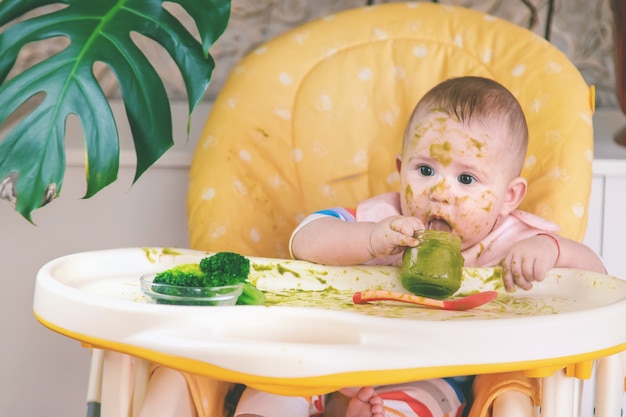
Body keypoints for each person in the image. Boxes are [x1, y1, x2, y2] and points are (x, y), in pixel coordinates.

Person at [234, 76, 606, 417]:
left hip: (435, 371)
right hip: (338, 353)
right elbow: (304, 240)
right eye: (425, 170)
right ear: (401, 169)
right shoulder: (385, 218)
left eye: (466, 178)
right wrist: (368, 238)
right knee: (273, 385)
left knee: (419, 405)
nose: (440, 193)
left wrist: (552, 251)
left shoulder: (516, 241)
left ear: (508, 196)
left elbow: (596, 282)